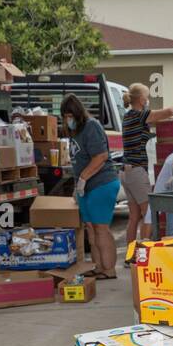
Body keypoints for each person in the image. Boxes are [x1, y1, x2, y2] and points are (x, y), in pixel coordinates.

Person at [121, 83, 173, 249]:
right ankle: (144, 254)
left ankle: (131, 255)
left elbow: (157, 120)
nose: (149, 100)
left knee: (134, 217)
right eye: (148, 97)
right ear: (142, 99)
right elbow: (165, 112)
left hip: (126, 172)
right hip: (137, 171)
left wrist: (170, 121)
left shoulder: (129, 116)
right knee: (150, 214)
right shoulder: (139, 115)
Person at [61, 94, 121, 281]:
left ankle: (109, 269)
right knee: (90, 228)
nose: (67, 120)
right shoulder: (76, 131)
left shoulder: (91, 126)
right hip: (86, 187)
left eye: (70, 116)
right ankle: (98, 266)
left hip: (101, 184)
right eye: (65, 116)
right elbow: (80, 160)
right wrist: (77, 185)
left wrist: (83, 178)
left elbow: (101, 156)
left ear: (78, 114)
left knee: (101, 228)